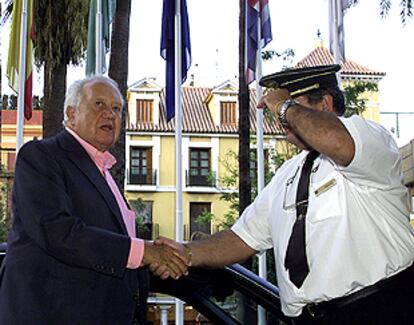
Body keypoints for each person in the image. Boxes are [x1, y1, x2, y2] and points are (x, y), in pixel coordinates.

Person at [153, 65, 414, 324]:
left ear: (324, 103)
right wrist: (185, 253)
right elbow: (241, 239)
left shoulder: (370, 140)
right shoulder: (288, 174)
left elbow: (337, 141)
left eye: (290, 106)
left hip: (377, 308)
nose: (280, 118)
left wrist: (284, 107)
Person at [0, 75, 188, 324]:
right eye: (99, 104)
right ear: (71, 113)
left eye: (117, 109)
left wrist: (173, 260)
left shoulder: (104, 173)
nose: (110, 114)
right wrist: (147, 252)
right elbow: (57, 231)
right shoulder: (42, 156)